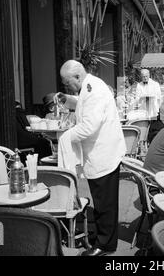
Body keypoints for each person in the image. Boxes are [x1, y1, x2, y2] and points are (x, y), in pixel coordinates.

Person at [54, 60, 126, 256]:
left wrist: (67, 135)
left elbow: (88, 127)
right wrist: (67, 99)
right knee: (102, 199)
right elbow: (83, 103)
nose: (65, 86)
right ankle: (104, 238)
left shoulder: (93, 89)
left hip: (103, 153)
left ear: (77, 76)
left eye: (67, 82)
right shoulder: (89, 86)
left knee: (105, 202)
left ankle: (105, 245)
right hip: (101, 152)